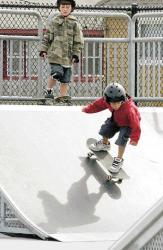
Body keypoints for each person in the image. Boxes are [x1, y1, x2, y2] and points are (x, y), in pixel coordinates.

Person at [82, 82, 141, 173]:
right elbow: (97, 105)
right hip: (116, 119)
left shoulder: (130, 109)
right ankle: (105, 144)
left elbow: (136, 124)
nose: (115, 105)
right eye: (112, 103)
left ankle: (118, 159)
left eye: (117, 103)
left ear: (122, 99)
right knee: (106, 129)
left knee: (122, 139)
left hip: (128, 124)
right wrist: (87, 109)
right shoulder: (107, 101)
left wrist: (135, 138)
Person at [39, 0, 84, 100]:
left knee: (65, 79)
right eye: (63, 7)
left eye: (67, 7)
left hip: (68, 57)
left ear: (71, 8)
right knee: (57, 73)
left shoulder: (74, 24)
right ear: (59, 8)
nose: (65, 9)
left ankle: (62, 96)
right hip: (55, 55)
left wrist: (76, 54)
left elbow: (78, 41)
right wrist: (43, 50)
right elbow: (47, 37)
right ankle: (49, 90)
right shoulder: (54, 22)